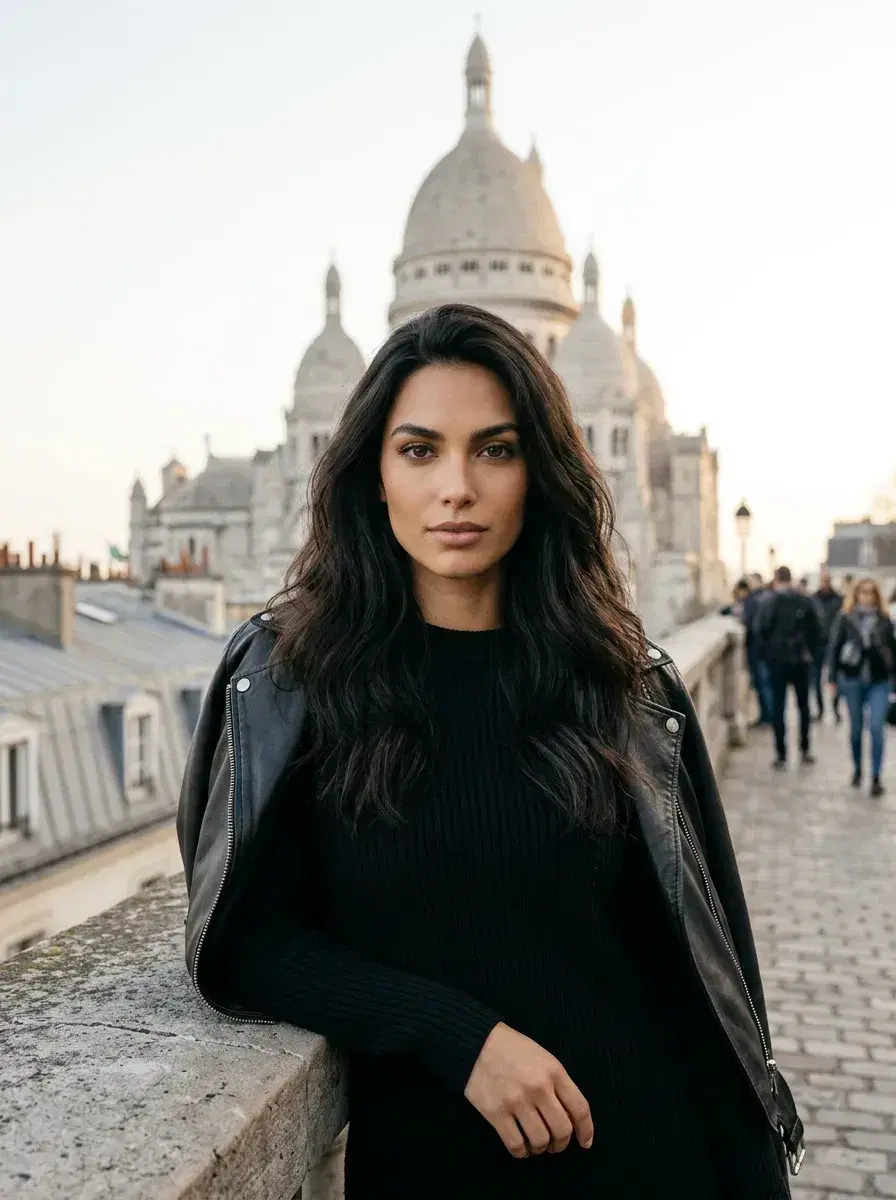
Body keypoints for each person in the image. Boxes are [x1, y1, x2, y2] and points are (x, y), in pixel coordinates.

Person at [177, 304, 803, 1198]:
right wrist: (456, 1034)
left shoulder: (625, 690)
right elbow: (240, 940)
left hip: (656, 1158)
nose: (457, 487)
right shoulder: (290, 684)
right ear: (372, 472)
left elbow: (707, 988)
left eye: (497, 450)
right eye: (421, 449)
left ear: (541, 471)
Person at [827, 577, 896, 797]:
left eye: (870, 592)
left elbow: (893, 651)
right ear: (856, 594)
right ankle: (857, 769)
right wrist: (832, 678)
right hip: (853, 678)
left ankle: (876, 776)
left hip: (879, 679)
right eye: (862, 592)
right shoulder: (846, 617)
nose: (866, 596)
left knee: (876, 727)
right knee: (856, 730)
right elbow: (834, 647)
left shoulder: (885, 620)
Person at [756, 565, 822, 770]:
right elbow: (818, 629)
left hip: (778, 661)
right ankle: (805, 749)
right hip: (801, 660)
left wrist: (766, 654)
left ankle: (781, 754)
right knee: (803, 706)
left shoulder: (770, 600)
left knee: (779, 707)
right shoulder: (805, 599)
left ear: (776, 579)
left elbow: (761, 629)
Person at [742, 573, 774, 727]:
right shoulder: (769, 597)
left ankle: (766, 717)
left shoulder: (752, 600)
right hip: (768, 649)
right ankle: (769, 715)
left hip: (756, 648)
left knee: (762, 684)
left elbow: (748, 622)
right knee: (767, 683)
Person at [811, 571, 843, 722]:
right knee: (816, 679)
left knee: (834, 678)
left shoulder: (838, 600)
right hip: (817, 644)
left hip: (835, 644)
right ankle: (821, 709)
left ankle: (835, 709)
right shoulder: (813, 600)